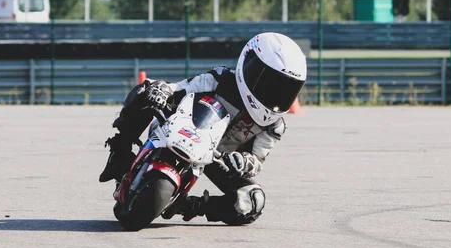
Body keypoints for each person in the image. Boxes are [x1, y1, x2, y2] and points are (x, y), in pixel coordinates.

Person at [98, 32, 307, 225]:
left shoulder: (274, 125)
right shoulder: (221, 79)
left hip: (217, 159)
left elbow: (257, 161)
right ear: (250, 65)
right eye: (271, 84)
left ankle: (190, 206)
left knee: (253, 200)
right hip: (182, 128)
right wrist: (163, 90)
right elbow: (181, 88)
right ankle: (119, 153)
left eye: (286, 89)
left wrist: (243, 162)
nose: (275, 94)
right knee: (147, 89)